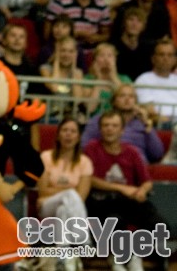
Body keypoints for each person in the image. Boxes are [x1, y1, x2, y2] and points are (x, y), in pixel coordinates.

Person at [84, 111, 167, 271]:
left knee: (159, 224)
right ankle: (118, 258)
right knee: (115, 220)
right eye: (106, 125)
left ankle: (136, 255)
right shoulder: (92, 148)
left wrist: (142, 190)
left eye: (114, 126)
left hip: (129, 201)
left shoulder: (132, 151)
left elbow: (147, 181)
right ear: (100, 129)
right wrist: (121, 188)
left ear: (122, 130)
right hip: (100, 201)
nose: (110, 129)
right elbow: (89, 179)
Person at [37, 118, 92, 271]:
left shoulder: (84, 162)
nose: (68, 134)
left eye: (73, 131)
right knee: (70, 195)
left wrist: (58, 190)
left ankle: (63, 258)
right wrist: (68, 190)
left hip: (69, 209)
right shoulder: (45, 157)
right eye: (65, 130)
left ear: (78, 137)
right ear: (58, 135)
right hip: (46, 206)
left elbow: (81, 196)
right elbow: (43, 190)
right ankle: (83, 240)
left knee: (63, 210)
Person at [82, 84, 165, 164]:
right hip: (107, 163)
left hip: (138, 165)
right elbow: (84, 146)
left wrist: (147, 125)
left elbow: (157, 154)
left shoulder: (143, 123)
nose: (127, 99)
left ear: (136, 102)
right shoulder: (101, 119)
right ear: (113, 101)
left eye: (131, 96)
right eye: (122, 96)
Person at [135, 38, 177, 124]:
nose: (165, 58)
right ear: (153, 58)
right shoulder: (143, 79)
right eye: (161, 54)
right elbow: (150, 112)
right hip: (159, 125)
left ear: (175, 60)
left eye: (170, 55)